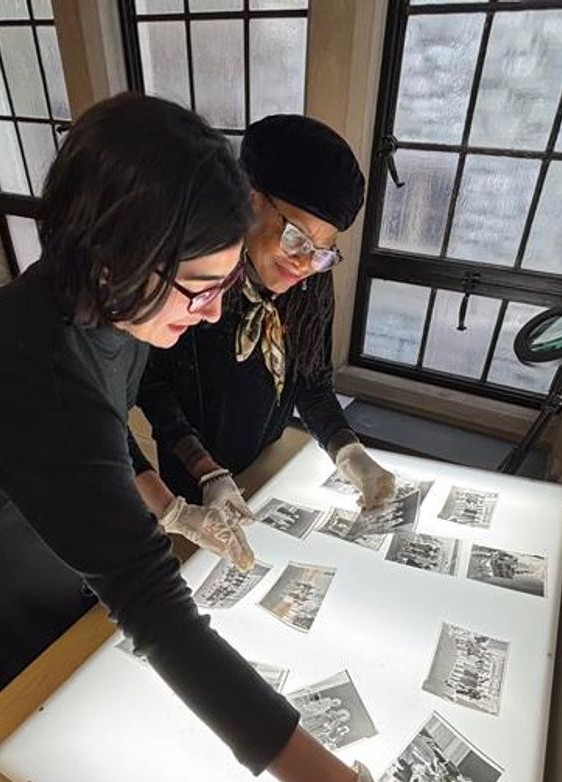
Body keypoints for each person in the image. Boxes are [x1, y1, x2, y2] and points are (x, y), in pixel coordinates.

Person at [0, 93, 464, 782]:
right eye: (199, 288)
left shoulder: (105, 303)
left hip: (59, 519)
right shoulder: (22, 364)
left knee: (94, 675)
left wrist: (167, 500)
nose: (208, 315)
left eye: (223, 283)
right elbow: (149, 599)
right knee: (28, 734)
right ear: (115, 260)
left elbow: (103, 438)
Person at [137, 114, 396, 533]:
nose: (304, 263)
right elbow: (151, 383)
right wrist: (205, 470)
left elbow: (310, 380)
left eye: (323, 251)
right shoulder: (199, 279)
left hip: (268, 464)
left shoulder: (310, 284)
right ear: (249, 200)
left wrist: (350, 453)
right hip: (195, 476)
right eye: (295, 237)